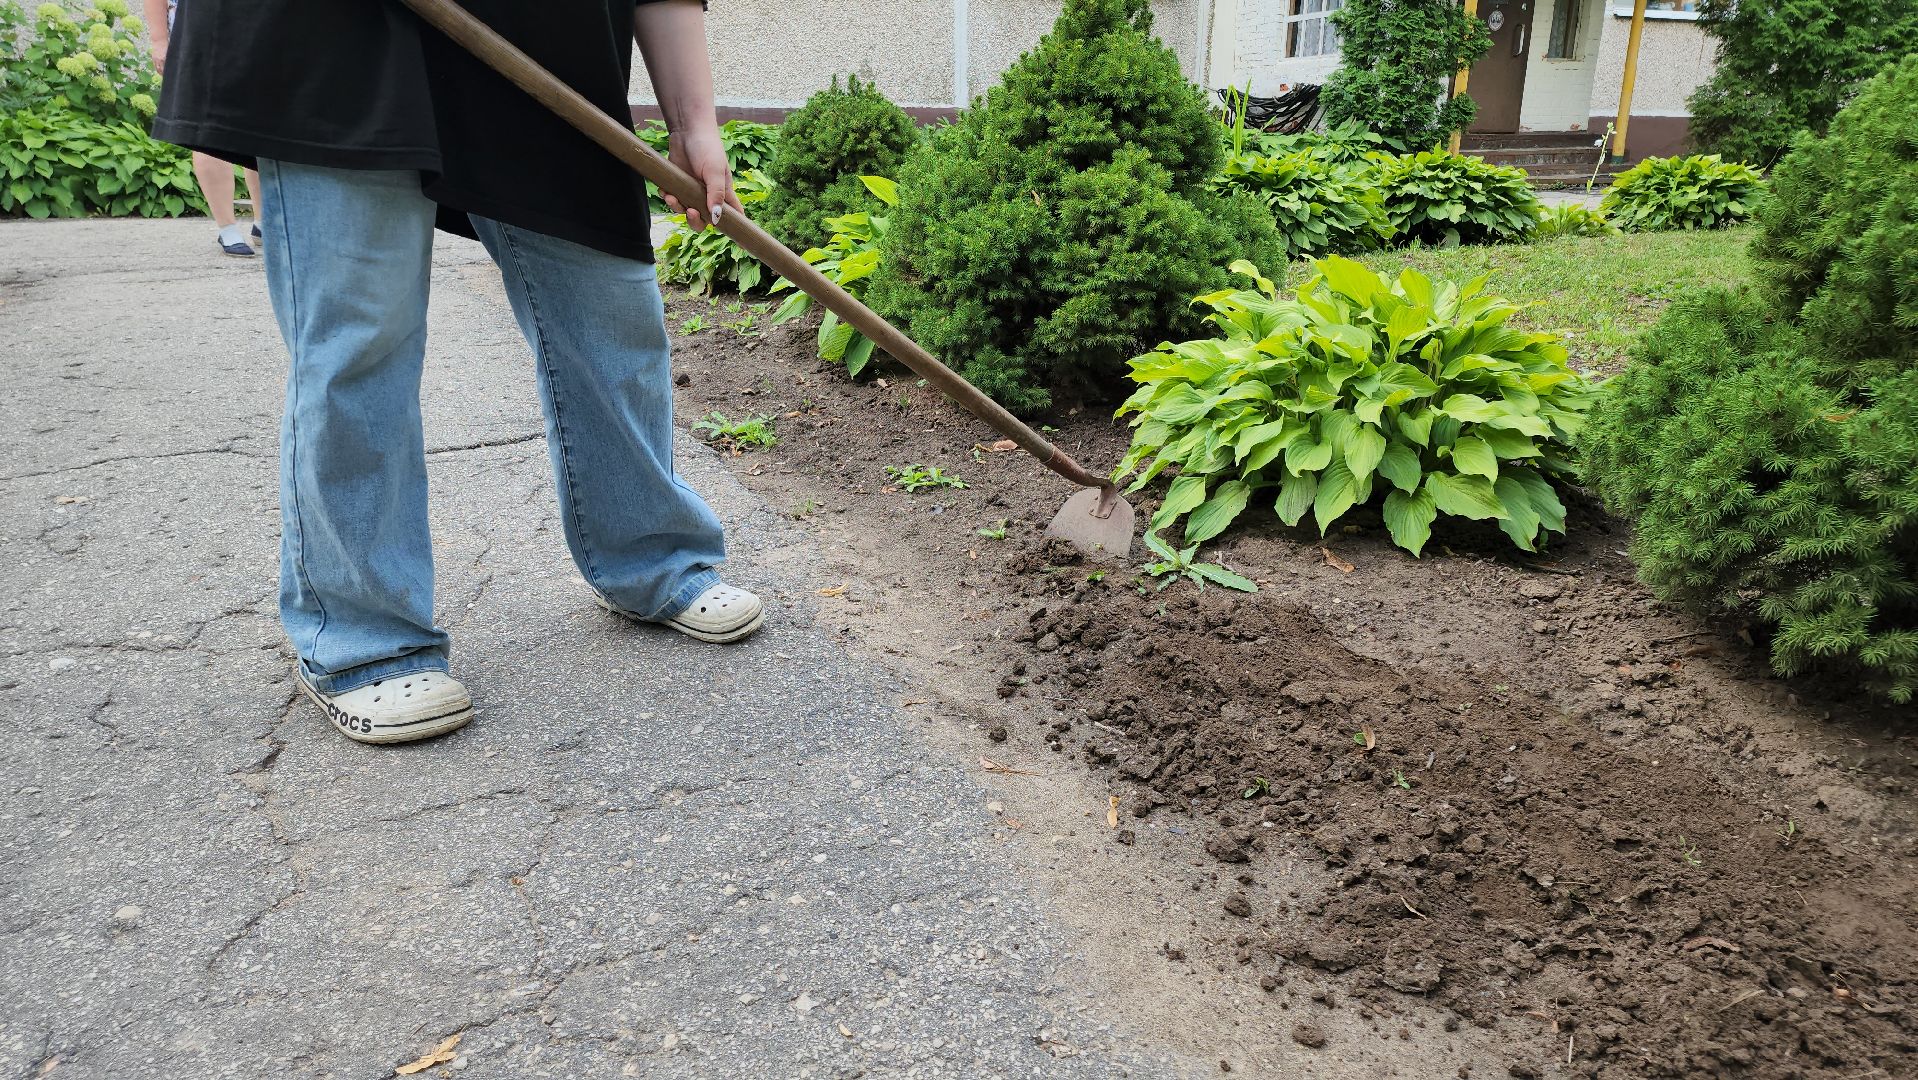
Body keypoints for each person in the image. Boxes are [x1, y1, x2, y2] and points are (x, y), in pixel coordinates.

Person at [150, 0, 763, 745]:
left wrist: (694, 121)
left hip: (549, 44)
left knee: (610, 312)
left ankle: (652, 555)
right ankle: (362, 635)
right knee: (361, 333)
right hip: (336, 37)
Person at [140, 0, 261, 256]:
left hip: (255, 26)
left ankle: (264, 222)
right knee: (208, 128)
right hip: (199, 31)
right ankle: (227, 227)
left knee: (261, 125)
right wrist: (159, 40)